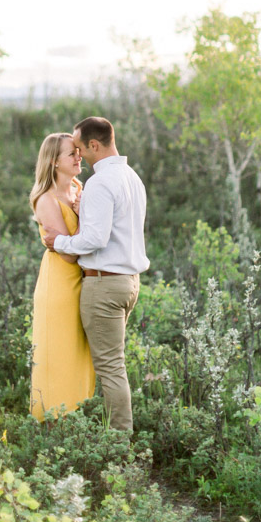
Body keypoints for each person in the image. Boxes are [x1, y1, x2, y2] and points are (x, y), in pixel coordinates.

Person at [43, 116, 149, 432]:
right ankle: (110, 430)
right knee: (112, 364)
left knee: (111, 368)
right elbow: (117, 228)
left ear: (93, 145)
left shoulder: (101, 182)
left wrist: (57, 241)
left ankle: (119, 441)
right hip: (128, 283)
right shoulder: (131, 177)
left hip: (104, 284)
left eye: (79, 148)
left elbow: (96, 239)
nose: (78, 155)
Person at [29, 132, 96, 421]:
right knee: (59, 353)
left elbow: (75, 240)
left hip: (83, 282)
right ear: (55, 162)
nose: (79, 156)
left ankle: (79, 421)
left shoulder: (79, 188)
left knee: (81, 354)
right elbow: (68, 253)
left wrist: (84, 214)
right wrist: (86, 221)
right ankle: (52, 421)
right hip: (59, 285)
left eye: (79, 151)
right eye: (72, 153)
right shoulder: (46, 200)